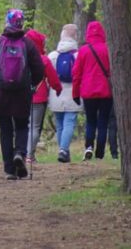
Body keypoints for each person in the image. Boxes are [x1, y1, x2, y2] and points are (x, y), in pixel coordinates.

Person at [0, 9, 44, 180]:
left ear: (7, 22)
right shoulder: (28, 44)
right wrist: (32, 83)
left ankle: (9, 169)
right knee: (22, 125)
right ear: (21, 23)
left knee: (5, 129)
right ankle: (20, 153)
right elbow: (39, 69)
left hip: (0, 94)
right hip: (21, 94)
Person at [71, 20, 113, 160]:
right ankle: (100, 153)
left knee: (91, 121)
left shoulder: (83, 51)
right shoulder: (108, 49)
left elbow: (76, 74)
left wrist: (75, 93)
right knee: (103, 122)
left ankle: (88, 147)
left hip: (88, 91)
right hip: (106, 91)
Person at [23, 29, 62, 163]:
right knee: (34, 127)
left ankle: (22, 153)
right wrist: (58, 88)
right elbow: (53, 78)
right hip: (38, 97)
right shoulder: (44, 59)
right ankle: (29, 155)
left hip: (20, 96)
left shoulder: (20, 57)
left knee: (23, 126)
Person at [47, 24, 82, 163]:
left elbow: (48, 76)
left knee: (60, 123)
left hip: (56, 93)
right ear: (75, 37)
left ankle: (62, 150)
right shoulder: (78, 55)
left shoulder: (53, 55)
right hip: (74, 92)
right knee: (69, 122)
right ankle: (63, 150)